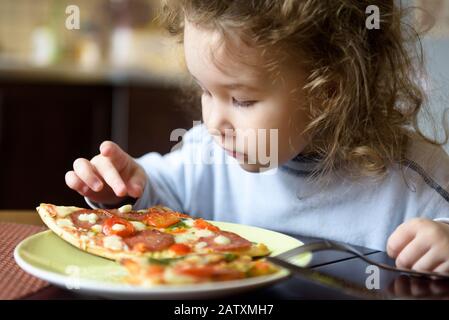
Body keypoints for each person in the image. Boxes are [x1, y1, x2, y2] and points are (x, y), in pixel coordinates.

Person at [65, 1, 449, 274]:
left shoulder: (414, 178)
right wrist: (123, 187)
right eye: (204, 90)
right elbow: (161, 189)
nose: (214, 121)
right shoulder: (209, 151)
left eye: (242, 100)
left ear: (328, 93)